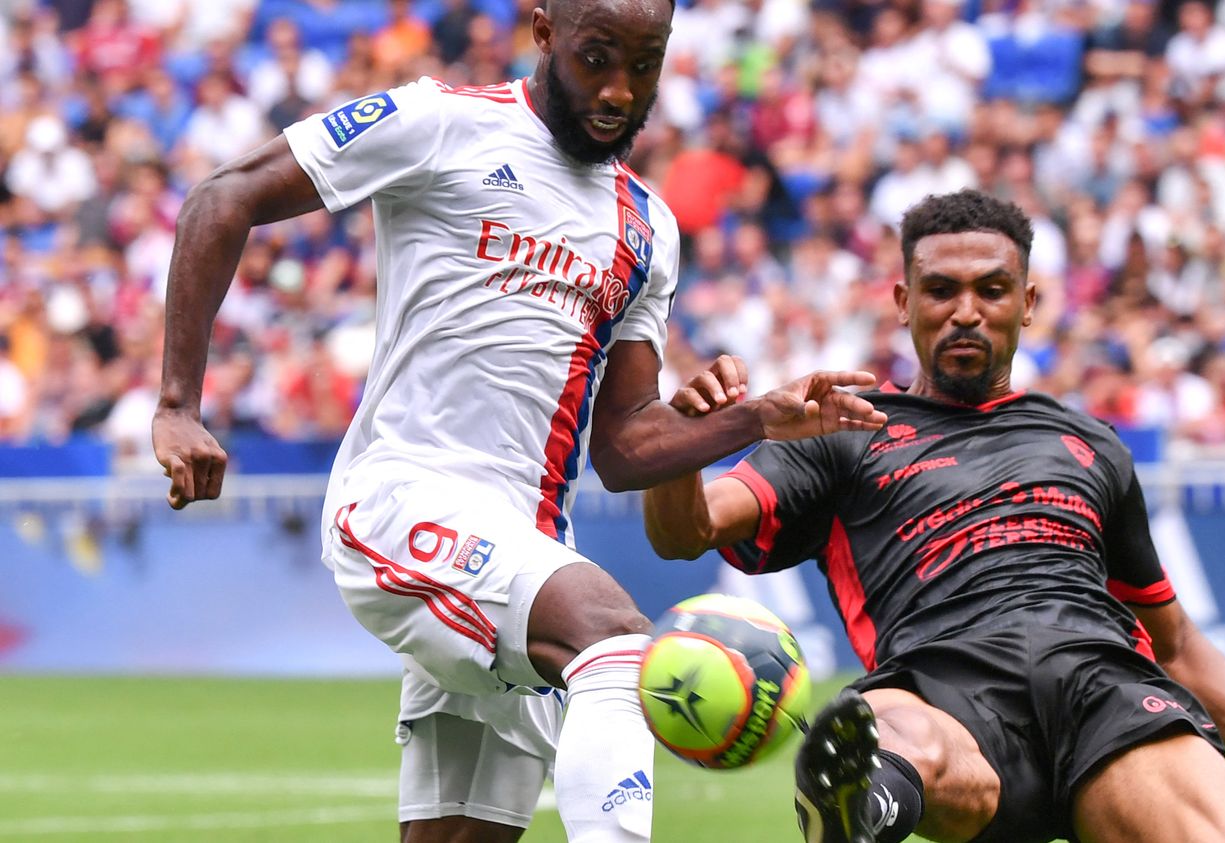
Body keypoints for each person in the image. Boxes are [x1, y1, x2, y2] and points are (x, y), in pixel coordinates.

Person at [150, 0, 886, 840]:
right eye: (597, 58)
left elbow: (626, 445)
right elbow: (227, 193)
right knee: (611, 638)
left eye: (643, 66)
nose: (618, 90)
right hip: (402, 499)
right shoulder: (440, 123)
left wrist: (756, 417)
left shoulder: (648, 227)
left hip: (525, 549)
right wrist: (178, 404)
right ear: (544, 32)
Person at [643, 190, 1225, 843]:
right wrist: (697, 436)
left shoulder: (1090, 443)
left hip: (1104, 687)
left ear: (1027, 302)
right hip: (946, 686)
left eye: (990, 289)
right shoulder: (844, 425)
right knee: (880, 727)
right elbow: (683, 533)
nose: (965, 311)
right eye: (941, 290)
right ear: (904, 300)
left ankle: (870, 785)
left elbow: (1177, 644)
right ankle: (860, 794)